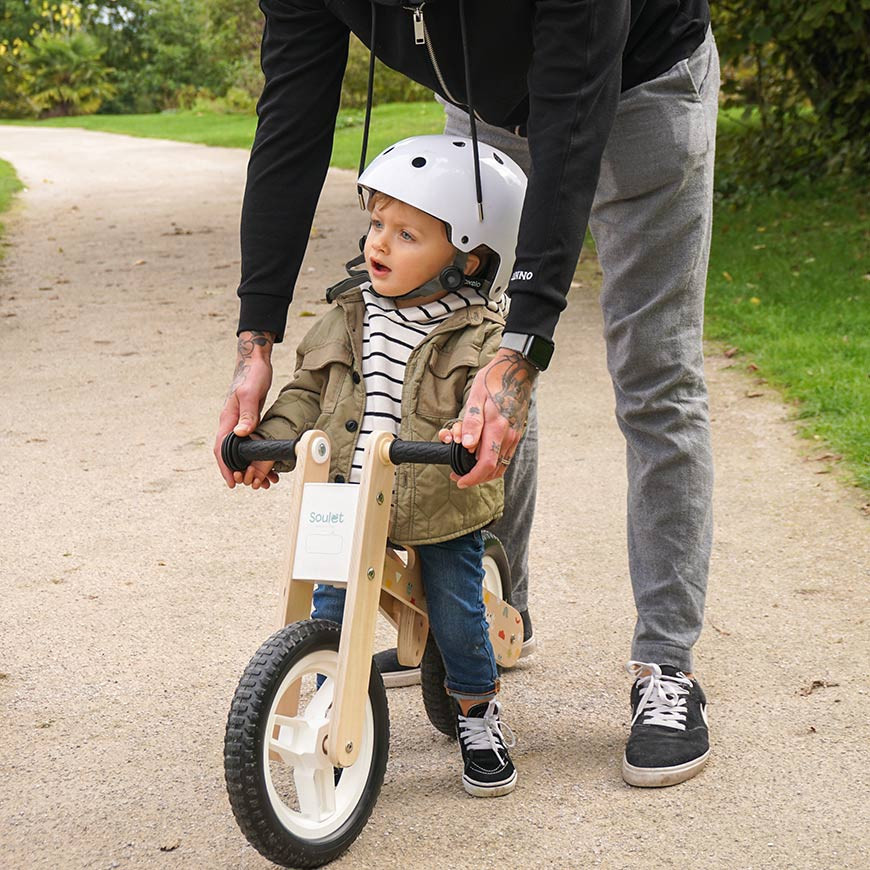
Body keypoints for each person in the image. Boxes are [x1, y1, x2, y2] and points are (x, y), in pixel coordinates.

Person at [215, 0, 718, 788]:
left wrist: (526, 345)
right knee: (475, 360)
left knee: (653, 376)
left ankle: (666, 668)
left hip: (638, 83)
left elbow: (573, 105)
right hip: (487, 107)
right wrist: (256, 343)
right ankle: (489, 620)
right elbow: (293, 118)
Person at [232, 135, 527, 797]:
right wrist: (270, 443)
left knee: (455, 614)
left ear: (469, 256)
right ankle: (337, 704)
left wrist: (464, 433)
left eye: (407, 233)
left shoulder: (483, 334)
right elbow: (309, 390)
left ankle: (478, 712)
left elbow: (493, 409)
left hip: (439, 500)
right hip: (349, 492)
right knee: (330, 608)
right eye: (376, 225)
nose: (380, 245)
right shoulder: (351, 312)